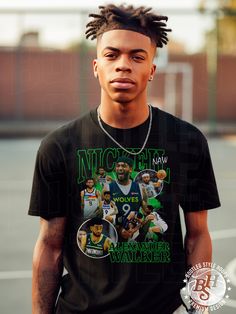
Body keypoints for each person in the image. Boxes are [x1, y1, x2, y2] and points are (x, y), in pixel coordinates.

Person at [29, 4, 220, 314]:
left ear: (152, 71)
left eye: (137, 57)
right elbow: (49, 245)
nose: (123, 65)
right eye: (111, 55)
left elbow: (198, 235)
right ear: (96, 66)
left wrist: (200, 310)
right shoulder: (59, 146)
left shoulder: (186, 141)